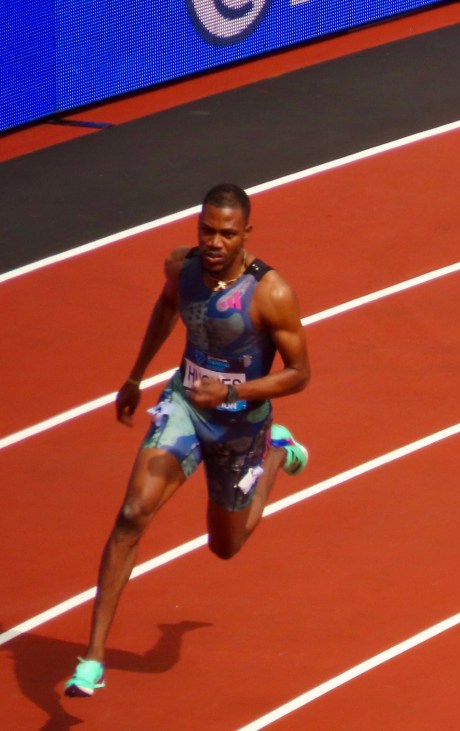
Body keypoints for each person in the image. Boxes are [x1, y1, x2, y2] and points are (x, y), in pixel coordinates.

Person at [65, 183, 312, 695]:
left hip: (241, 426)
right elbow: (166, 307)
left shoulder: (271, 293)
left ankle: (275, 453)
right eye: (207, 230)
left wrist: (232, 391)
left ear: (247, 233)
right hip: (184, 406)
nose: (215, 243)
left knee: (225, 546)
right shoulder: (183, 268)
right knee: (133, 512)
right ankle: (93, 658)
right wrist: (135, 376)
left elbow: (299, 374)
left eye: (227, 234)